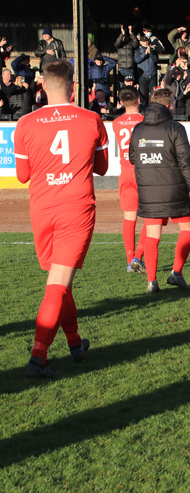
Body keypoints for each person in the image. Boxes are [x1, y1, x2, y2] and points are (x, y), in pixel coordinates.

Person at [14, 59, 108, 377]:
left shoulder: (25, 124)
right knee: (58, 284)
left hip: (42, 211)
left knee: (60, 282)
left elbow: (22, 176)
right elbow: (102, 168)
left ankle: (75, 345)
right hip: (76, 209)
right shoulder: (91, 119)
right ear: (75, 87)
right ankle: (38, 359)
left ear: (42, 85)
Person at [129, 88, 190, 293]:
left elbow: (133, 158)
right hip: (175, 190)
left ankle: (152, 282)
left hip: (149, 190)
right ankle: (176, 273)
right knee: (187, 231)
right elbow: (185, 162)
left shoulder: (138, 129)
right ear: (169, 105)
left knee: (152, 237)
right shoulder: (175, 128)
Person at [113, 89, 147, 273]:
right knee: (150, 216)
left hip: (125, 171)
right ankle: (138, 256)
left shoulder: (116, 123)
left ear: (120, 102)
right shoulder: (144, 121)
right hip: (143, 171)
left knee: (129, 216)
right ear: (139, 100)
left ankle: (129, 261)